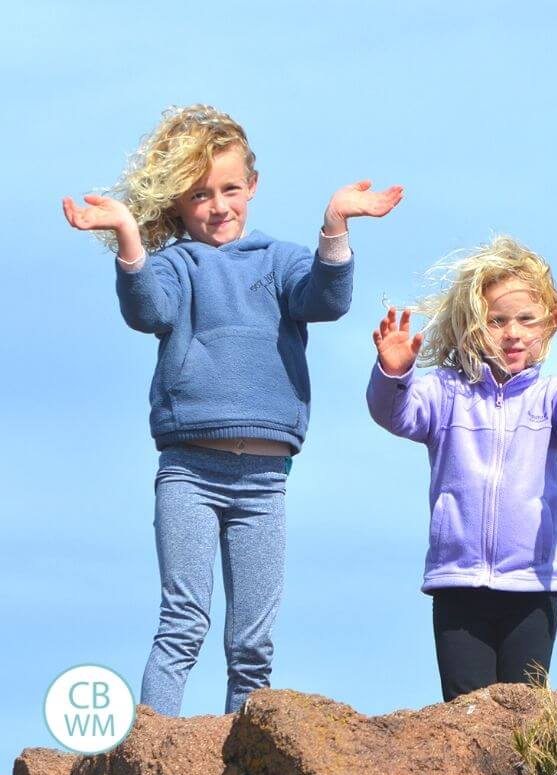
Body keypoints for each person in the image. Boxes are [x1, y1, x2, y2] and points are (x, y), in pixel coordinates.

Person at [62, 104, 403, 716]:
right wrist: (127, 238)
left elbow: (326, 300)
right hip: (190, 471)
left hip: (266, 482)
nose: (218, 206)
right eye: (199, 195)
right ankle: (151, 753)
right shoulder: (174, 264)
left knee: (252, 644)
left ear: (253, 187)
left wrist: (335, 224)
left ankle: (244, 764)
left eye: (230, 189)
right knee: (182, 623)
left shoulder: (281, 260)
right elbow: (149, 312)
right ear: (176, 202)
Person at [366, 236, 557, 701]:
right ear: (470, 328)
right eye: (496, 321)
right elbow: (395, 415)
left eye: (527, 320)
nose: (513, 333)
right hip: (458, 582)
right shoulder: (444, 392)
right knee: (467, 712)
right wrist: (393, 374)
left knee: (525, 711)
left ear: (548, 325)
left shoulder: (551, 397)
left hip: (533, 585)